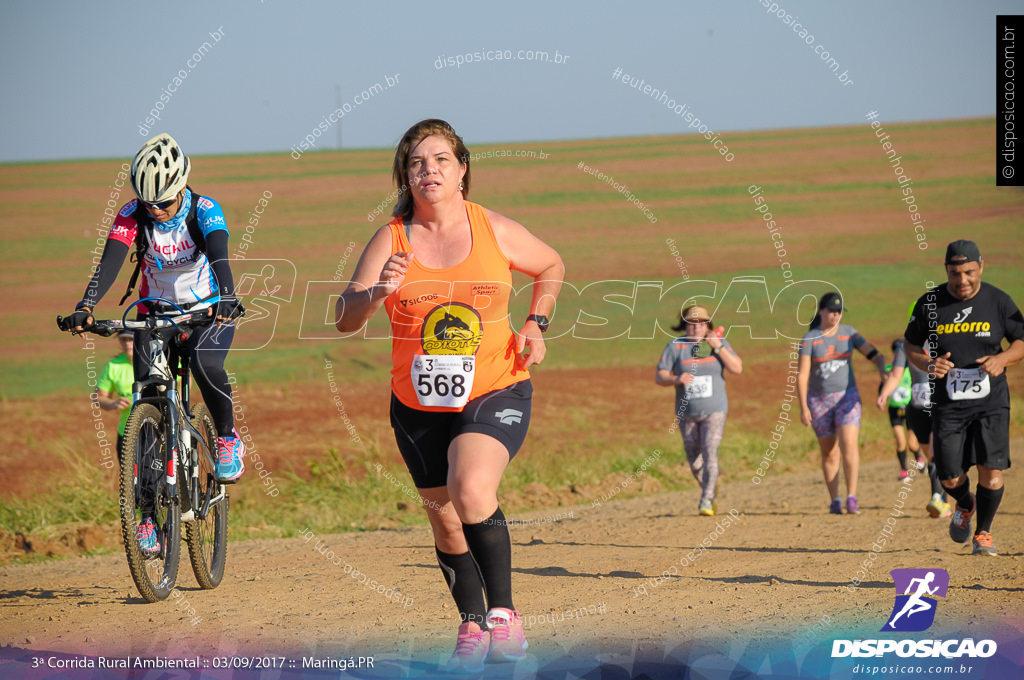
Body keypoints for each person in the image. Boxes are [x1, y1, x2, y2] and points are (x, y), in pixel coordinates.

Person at [336, 119, 564, 671]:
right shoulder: (390, 239)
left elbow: (551, 264)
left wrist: (536, 323)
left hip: (496, 385)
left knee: (470, 485)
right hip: (416, 404)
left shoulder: (493, 229)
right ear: (405, 175)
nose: (428, 170)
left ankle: (504, 615)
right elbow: (344, 317)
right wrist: (377, 294)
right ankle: (471, 620)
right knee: (444, 518)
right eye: (417, 162)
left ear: (462, 170)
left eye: (440, 159)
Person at [60, 134, 246, 554]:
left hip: (207, 310)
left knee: (204, 362)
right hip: (155, 313)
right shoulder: (132, 215)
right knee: (146, 400)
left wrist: (229, 297)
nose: (155, 210)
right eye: (148, 202)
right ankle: (147, 519)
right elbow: (110, 261)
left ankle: (228, 438)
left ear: (182, 186)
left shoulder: (204, 210)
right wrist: (86, 305)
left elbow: (220, 255)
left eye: (162, 202)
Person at [904, 240, 1024, 556]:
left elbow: (1021, 341)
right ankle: (966, 503)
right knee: (949, 475)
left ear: (981, 267)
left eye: (969, 272)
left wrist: (1003, 359)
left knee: (992, 470)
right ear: (947, 271)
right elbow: (910, 346)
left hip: (991, 401)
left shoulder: (998, 301)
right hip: (948, 403)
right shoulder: (930, 303)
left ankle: (983, 532)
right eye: (955, 273)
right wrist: (929, 364)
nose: (962, 280)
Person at [798, 292, 887, 515]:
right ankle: (835, 499)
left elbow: (875, 354)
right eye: (832, 311)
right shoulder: (810, 339)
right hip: (819, 400)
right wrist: (803, 407)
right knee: (829, 452)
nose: (836, 315)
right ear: (821, 312)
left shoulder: (849, 334)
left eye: (839, 312)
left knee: (848, 444)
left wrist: (882, 372)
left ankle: (852, 496)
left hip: (848, 397)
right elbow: (802, 375)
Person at [656, 305, 742, 516]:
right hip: (687, 412)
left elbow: (737, 368)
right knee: (694, 460)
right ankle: (709, 486)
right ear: (685, 326)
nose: (696, 328)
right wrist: (676, 378)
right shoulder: (675, 347)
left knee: (710, 450)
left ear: (707, 326)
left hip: (715, 409)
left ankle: (706, 499)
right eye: (691, 324)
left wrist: (718, 347)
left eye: (700, 324)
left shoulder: (718, 344)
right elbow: (660, 376)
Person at [877, 336, 951, 518]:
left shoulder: (943, 341)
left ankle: (937, 499)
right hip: (917, 408)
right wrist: (884, 394)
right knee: (929, 455)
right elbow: (896, 374)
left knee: (934, 454)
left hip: (939, 405)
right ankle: (945, 500)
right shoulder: (907, 347)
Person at [880, 339, 925, 480]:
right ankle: (904, 470)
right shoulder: (889, 371)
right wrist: (882, 395)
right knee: (900, 441)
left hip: (910, 408)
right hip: (894, 410)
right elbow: (883, 387)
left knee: (912, 443)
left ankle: (919, 459)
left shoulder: (911, 369)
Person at [92, 330, 135, 458]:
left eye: (131, 339)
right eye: (123, 340)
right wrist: (113, 403)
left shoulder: (156, 361)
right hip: (127, 431)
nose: (127, 344)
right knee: (129, 477)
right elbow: (98, 397)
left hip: (155, 430)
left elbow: (181, 379)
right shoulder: (114, 365)